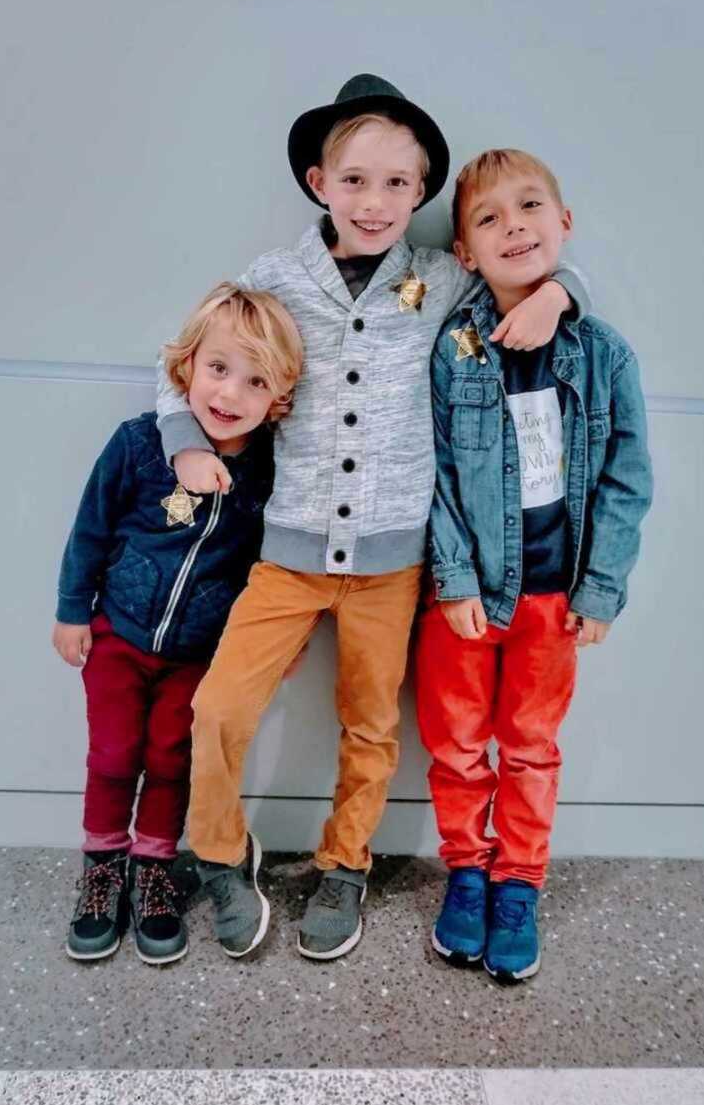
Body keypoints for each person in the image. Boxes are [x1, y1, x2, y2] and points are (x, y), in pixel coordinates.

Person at [157, 76, 590, 961]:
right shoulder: (276, 278)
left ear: (423, 194)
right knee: (219, 708)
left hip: (394, 562)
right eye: (355, 180)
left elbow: (522, 272)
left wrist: (564, 291)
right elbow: (184, 353)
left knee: (371, 723)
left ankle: (345, 863)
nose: (376, 201)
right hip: (287, 553)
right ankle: (218, 847)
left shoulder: (439, 276)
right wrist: (180, 436)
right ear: (319, 182)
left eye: (399, 183)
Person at [416, 148, 653, 982]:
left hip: (557, 596)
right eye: (488, 218)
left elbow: (628, 477)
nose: (513, 226)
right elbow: (433, 472)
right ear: (464, 254)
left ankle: (518, 881)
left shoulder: (606, 354)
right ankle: (468, 874)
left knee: (530, 745)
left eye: (529, 207)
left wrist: (602, 586)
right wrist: (452, 577)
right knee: (456, 745)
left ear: (564, 224)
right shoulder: (455, 349)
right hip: (467, 598)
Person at [53, 282, 301, 963]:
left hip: (198, 652)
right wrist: (74, 611)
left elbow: (268, 564)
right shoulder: (138, 444)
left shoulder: (268, 472)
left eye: (255, 381)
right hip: (118, 636)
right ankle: (102, 868)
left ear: (277, 398)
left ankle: (153, 868)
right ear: (187, 366)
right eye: (218, 368)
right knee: (112, 756)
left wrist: (283, 640)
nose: (230, 394)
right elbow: (90, 531)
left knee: (171, 758)